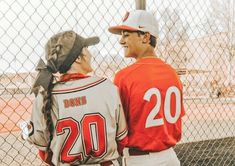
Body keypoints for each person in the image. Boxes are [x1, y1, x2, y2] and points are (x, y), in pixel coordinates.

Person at [21, 30, 128, 166]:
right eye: (86, 49)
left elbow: (45, 154)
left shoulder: (45, 96)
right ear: (77, 58)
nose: (90, 54)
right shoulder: (107, 88)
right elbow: (122, 140)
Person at [108, 10, 185, 166]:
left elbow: (116, 128)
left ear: (145, 37)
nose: (121, 41)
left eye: (126, 35)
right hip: (171, 158)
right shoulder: (172, 73)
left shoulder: (124, 77)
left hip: (140, 160)